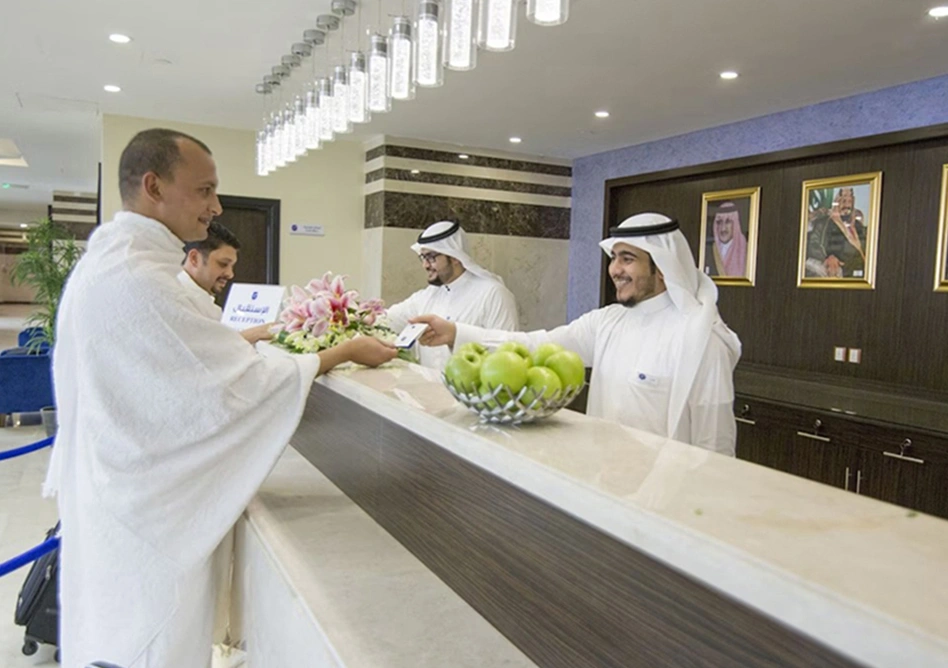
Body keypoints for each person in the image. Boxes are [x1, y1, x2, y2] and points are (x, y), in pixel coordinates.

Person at [43, 128, 396, 668]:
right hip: (142, 516)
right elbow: (229, 391)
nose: (217, 205)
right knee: (149, 649)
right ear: (153, 186)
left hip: (115, 496)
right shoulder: (138, 279)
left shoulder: (116, 265)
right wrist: (339, 352)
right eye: (205, 190)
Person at [413, 212, 742, 456]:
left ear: (662, 267)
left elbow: (715, 443)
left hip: (666, 500)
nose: (615, 270)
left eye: (628, 260)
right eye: (614, 258)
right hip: (606, 483)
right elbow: (536, 344)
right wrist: (457, 333)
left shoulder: (702, 339)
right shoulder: (607, 322)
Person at [385, 221, 519, 369]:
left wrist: (456, 337)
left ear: (454, 257)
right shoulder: (427, 296)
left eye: (431, 257)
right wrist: (359, 316)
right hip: (429, 389)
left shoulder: (493, 293)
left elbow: (507, 352)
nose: (425, 265)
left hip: (472, 391)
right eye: (423, 258)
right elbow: (387, 320)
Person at [180, 221, 273, 345]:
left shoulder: (204, 301)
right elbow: (200, 351)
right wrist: (253, 335)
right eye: (223, 264)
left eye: (232, 266)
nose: (230, 274)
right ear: (194, 258)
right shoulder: (175, 298)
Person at [805, 187, 867, 278]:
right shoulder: (825, 222)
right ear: (837, 201)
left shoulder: (858, 226)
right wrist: (828, 258)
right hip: (833, 270)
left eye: (849, 202)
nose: (846, 206)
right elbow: (814, 244)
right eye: (843, 201)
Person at [705, 201, 748, 277]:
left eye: (728, 221)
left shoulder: (747, 250)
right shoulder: (709, 251)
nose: (723, 228)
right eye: (719, 222)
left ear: (735, 224)